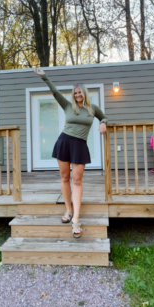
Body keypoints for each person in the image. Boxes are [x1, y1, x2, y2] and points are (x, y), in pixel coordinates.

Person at [33, 67, 108, 238]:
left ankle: (76, 218)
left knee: (77, 180)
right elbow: (54, 92)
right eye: (75, 93)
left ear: (84, 93)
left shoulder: (92, 108)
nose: (77, 95)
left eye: (79, 93)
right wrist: (44, 77)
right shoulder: (67, 105)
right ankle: (68, 210)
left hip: (80, 145)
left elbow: (104, 117)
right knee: (65, 178)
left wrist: (102, 122)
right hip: (64, 142)